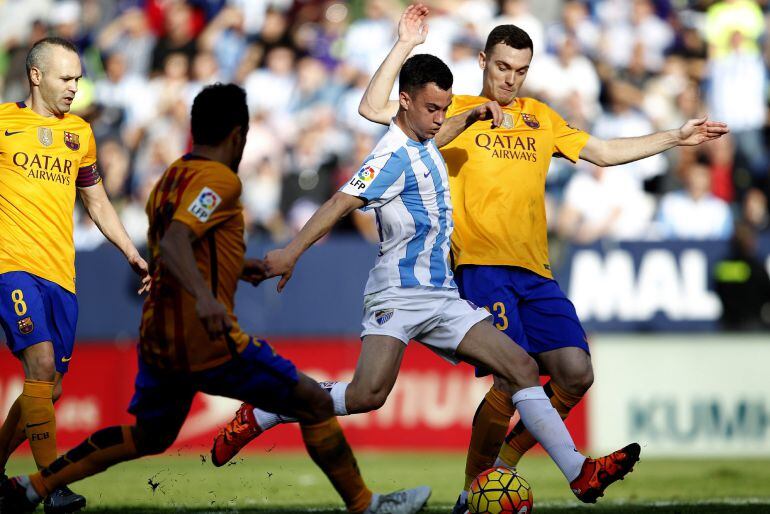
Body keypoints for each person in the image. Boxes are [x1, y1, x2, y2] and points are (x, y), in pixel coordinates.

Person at [211, 30, 640, 505]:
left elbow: (445, 134)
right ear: (406, 102)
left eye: (445, 108)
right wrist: (290, 253)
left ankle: (579, 471)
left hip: (442, 296)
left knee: (519, 366)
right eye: (433, 109)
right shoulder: (391, 155)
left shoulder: (426, 141)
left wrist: (471, 114)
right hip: (397, 295)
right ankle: (267, 411)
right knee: (366, 396)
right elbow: (339, 201)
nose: (440, 119)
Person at [354, 5, 729, 512]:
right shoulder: (449, 107)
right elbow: (374, 109)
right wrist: (404, 45)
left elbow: (603, 152)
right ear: (483, 60)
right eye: (502, 67)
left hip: (537, 271)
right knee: (514, 373)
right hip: (481, 267)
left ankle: (503, 468)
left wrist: (674, 137)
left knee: (575, 373)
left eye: (520, 70)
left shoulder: (540, 118)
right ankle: (473, 490)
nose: (510, 79)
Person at [0, 83, 430, 514]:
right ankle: (365, 505)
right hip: (202, 335)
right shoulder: (218, 181)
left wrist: (243, 267)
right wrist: (206, 299)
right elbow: (175, 243)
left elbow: (188, 245)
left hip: (158, 337)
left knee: (149, 436)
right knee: (313, 401)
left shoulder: (171, 176)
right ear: (238, 135)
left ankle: (31, 487)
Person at [0, 37, 150, 514]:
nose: (75, 86)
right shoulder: (3, 123)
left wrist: (129, 249)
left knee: (52, 386)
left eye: (79, 78)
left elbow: (97, 199)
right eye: (67, 77)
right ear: (37, 76)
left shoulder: (79, 134)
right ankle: (52, 484)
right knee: (40, 367)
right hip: (11, 267)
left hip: (61, 272)